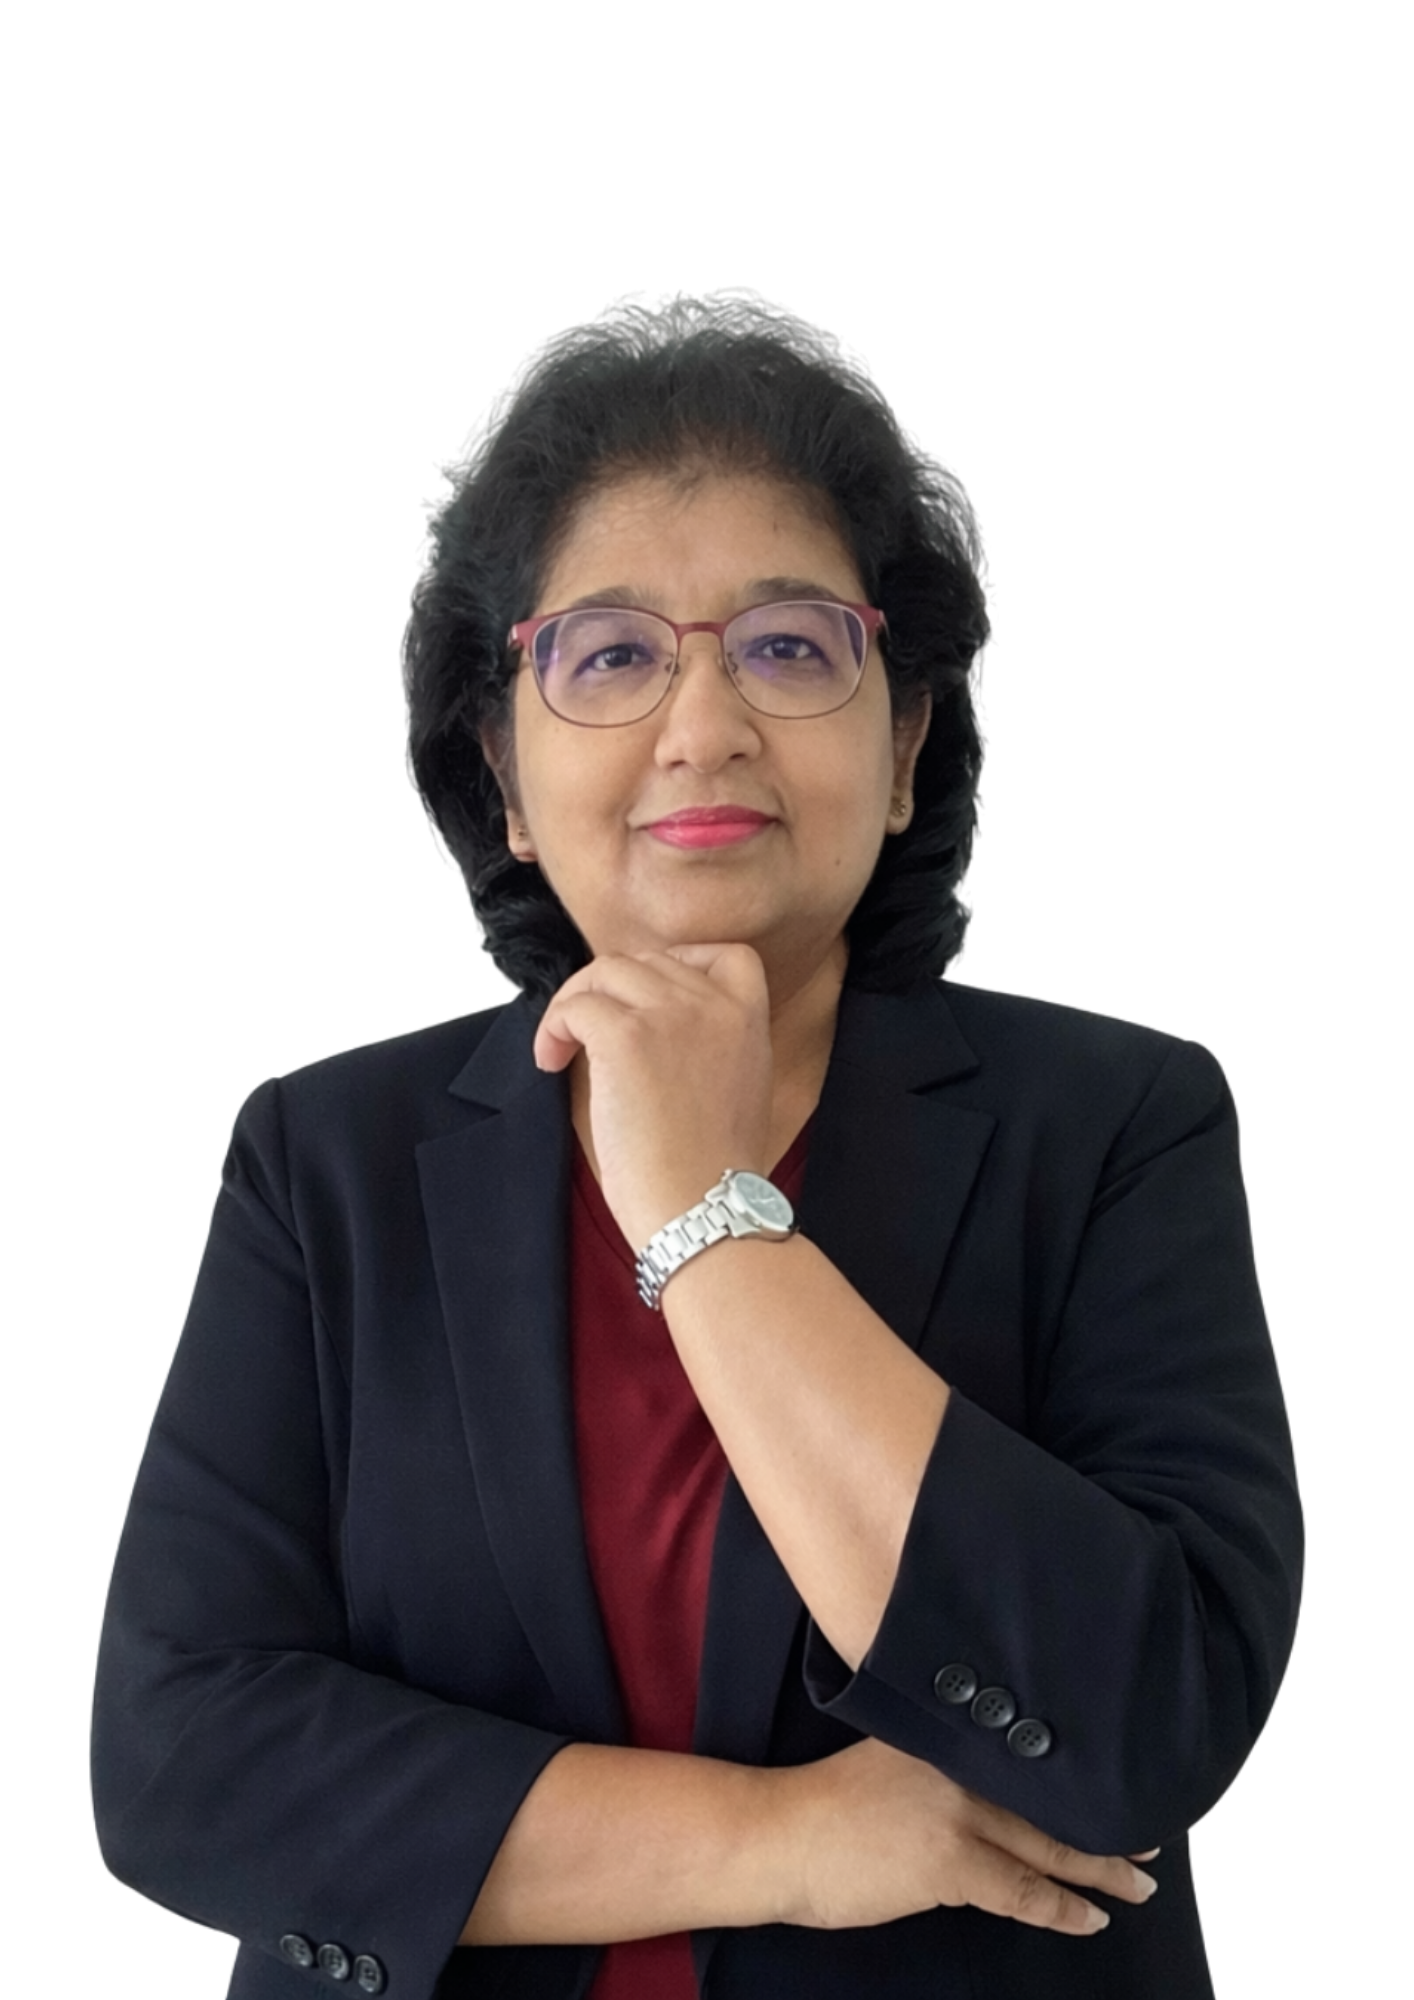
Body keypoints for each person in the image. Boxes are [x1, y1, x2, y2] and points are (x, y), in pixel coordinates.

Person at [91, 288, 1304, 1999]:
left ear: (902, 747)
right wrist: (784, 1843)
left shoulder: (1117, 1121)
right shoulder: (321, 1157)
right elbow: (181, 1763)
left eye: (791, 646)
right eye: (610, 654)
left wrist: (700, 1209)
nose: (703, 723)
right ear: (502, 774)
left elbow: (1135, 1720)